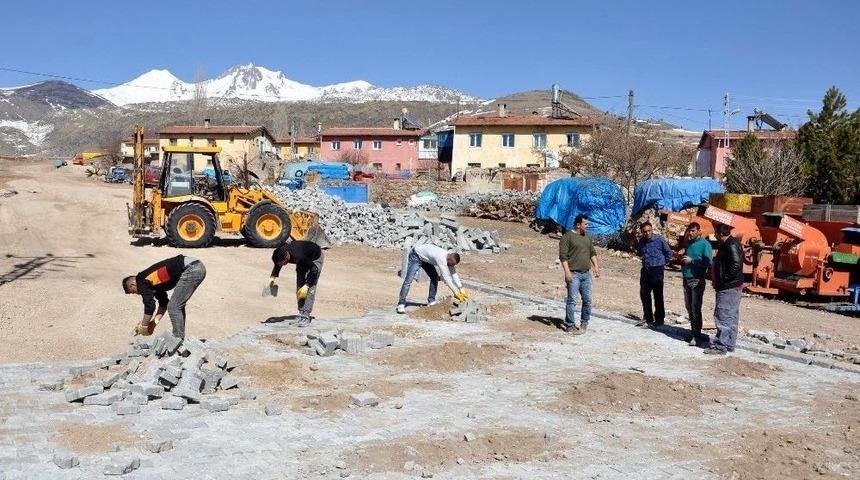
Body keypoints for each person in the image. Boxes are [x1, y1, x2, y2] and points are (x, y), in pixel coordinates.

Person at [123, 255, 207, 339]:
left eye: (134, 291)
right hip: (194, 266)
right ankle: (179, 338)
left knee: (174, 306)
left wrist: (144, 325)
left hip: (191, 269)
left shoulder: (141, 280)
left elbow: (150, 305)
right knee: (176, 305)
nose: (138, 294)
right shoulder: (153, 283)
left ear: (132, 285)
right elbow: (164, 303)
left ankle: (177, 340)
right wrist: (154, 323)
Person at [397, 243, 468, 314]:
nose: (452, 266)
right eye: (452, 264)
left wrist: (461, 288)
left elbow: (453, 273)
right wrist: (455, 291)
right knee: (408, 280)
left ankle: (431, 301)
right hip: (416, 256)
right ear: (449, 259)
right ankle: (401, 303)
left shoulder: (449, 258)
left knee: (434, 277)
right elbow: (446, 278)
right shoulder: (441, 258)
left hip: (426, 259)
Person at [559, 214, 600, 335]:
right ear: (578, 224)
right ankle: (570, 324)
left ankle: (584, 323)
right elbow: (563, 256)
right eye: (585, 224)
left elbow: (592, 253)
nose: (587, 226)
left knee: (587, 300)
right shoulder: (567, 237)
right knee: (572, 300)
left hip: (586, 274)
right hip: (574, 274)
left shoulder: (587, 237)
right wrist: (567, 272)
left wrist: (596, 267)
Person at [706, 224, 744, 355]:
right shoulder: (728, 243)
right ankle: (729, 343)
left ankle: (720, 346)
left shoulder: (731, 245)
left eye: (716, 233)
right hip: (731, 286)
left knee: (723, 315)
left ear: (719, 233)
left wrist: (724, 279)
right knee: (731, 315)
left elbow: (736, 264)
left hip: (728, 287)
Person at [270, 240, 324, 328]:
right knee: (299, 287)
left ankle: (306, 315)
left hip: (315, 257)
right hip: (302, 259)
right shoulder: (279, 253)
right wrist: (271, 281)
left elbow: (314, 270)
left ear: (287, 257)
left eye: (284, 263)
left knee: (309, 289)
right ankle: (301, 313)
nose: (283, 265)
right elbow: (278, 265)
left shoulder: (299, 256)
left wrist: (306, 286)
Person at [680, 222, 713, 346]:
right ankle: (693, 331)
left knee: (695, 308)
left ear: (699, 231)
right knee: (689, 307)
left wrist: (692, 261)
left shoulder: (705, 245)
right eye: (690, 230)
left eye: (693, 230)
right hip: (686, 278)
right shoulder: (689, 243)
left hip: (697, 280)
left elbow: (708, 262)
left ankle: (697, 335)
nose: (691, 233)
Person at [636, 222, 673, 328]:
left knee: (658, 295)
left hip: (657, 269)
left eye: (649, 231)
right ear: (642, 232)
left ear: (652, 230)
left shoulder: (659, 240)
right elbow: (640, 252)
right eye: (645, 232)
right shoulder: (642, 241)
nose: (647, 233)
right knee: (644, 294)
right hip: (646, 270)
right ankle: (648, 318)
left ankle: (659, 319)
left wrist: (663, 264)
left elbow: (668, 253)